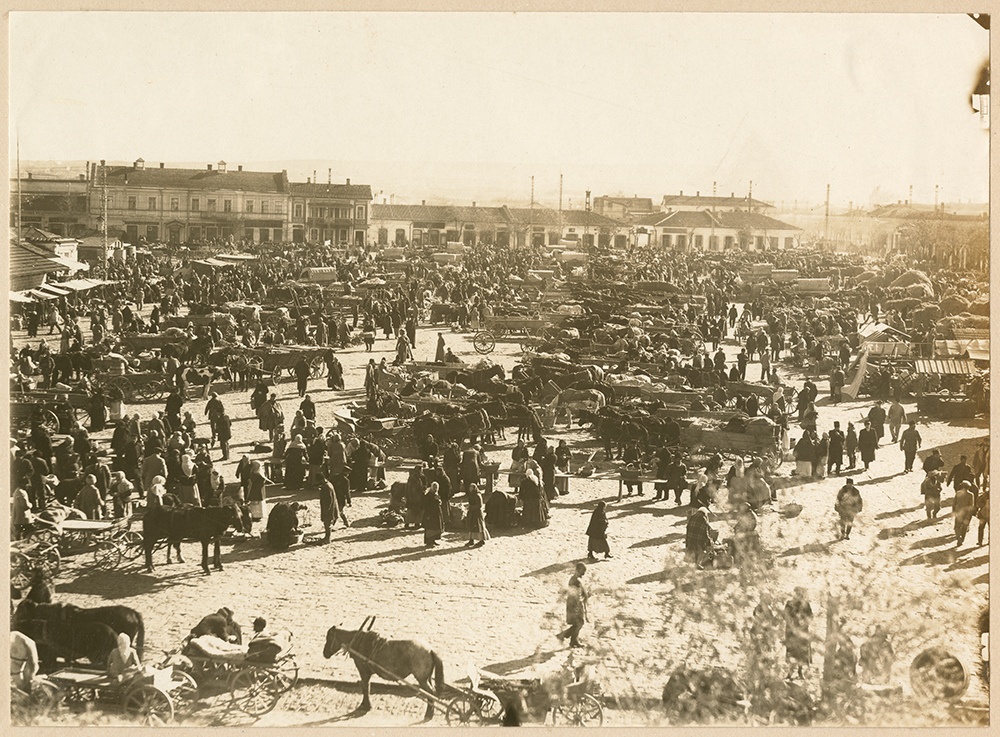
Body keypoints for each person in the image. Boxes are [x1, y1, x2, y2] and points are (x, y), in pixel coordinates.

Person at [783, 587, 813, 680]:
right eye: (797, 593)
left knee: (802, 651)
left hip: (802, 631)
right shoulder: (789, 604)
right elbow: (785, 615)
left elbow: (810, 616)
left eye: (800, 593)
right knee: (791, 651)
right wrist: (792, 625)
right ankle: (790, 672)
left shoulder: (806, 604)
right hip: (791, 632)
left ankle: (800, 671)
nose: (798, 595)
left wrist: (805, 623)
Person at [557, 563, 588, 648]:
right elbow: (575, 595)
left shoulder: (574, 579)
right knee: (579, 623)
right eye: (583, 571)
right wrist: (578, 606)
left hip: (573, 604)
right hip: (574, 605)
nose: (584, 573)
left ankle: (573, 641)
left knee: (578, 623)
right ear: (578, 570)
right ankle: (564, 635)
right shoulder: (575, 581)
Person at [953, 481, 978, 548]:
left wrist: (954, 511)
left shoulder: (958, 493)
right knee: (964, 527)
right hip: (967, 513)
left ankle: (959, 538)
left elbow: (954, 503)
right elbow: (971, 505)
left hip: (958, 512)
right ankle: (962, 539)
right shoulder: (971, 495)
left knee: (957, 526)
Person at [465, 483, 490, 548]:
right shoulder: (471, 494)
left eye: (471, 487)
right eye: (469, 487)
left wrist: (471, 507)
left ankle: (481, 540)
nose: (470, 489)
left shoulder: (477, 495)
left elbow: (479, 505)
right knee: (471, 526)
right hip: (472, 513)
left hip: (477, 513)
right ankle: (471, 540)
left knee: (479, 527)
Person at [422, 482, 444, 547]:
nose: (435, 489)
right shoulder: (428, 495)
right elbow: (426, 505)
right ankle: (429, 542)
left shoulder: (435, 494)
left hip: (435, 514)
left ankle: (433, 540)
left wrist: (439, 501)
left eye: (436, 487)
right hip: (430, 514)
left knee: (435, 527)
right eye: (434, 487)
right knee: (430, 528)